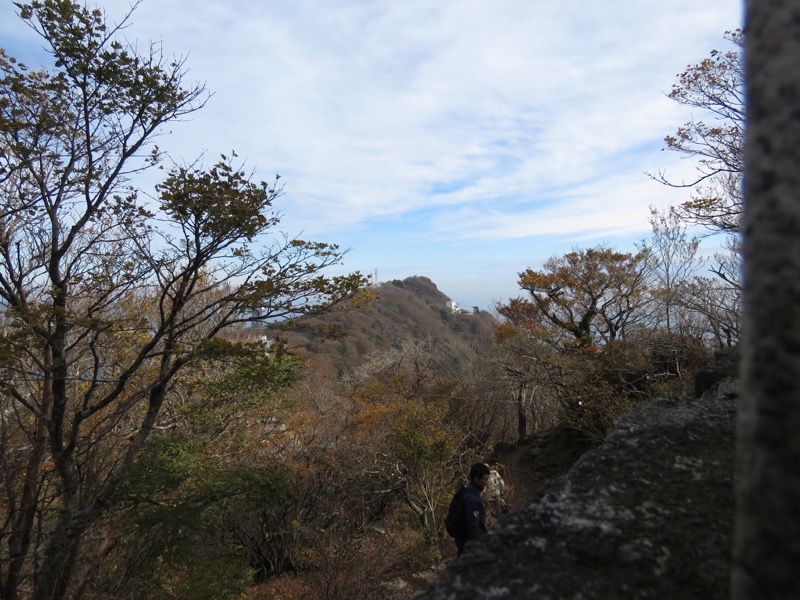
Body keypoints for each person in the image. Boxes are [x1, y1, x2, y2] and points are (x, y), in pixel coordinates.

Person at [452, 463, 489, 556]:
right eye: (485, 479)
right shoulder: (471, 498)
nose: (487, 482)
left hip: (462, 539)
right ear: (476, 479)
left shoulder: (466, 489)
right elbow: (473, 526)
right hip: (467, 541)